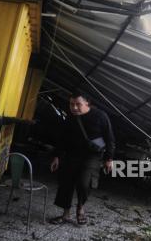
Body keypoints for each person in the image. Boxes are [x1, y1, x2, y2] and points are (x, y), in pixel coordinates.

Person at [49, 91, 115, 225]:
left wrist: (109, 159)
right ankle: (65, 214)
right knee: (65, 183)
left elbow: (110, 139)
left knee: (84, 183)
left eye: (78, 104)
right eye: (71, 104)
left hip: (92, 156)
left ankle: (80, 207)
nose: (74, 107)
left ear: (87, 104)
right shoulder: (70, 117)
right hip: (71, 154)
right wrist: (56, 156)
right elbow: (62, 138)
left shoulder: (100, 116)